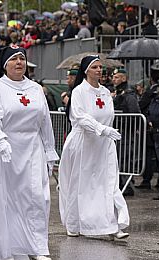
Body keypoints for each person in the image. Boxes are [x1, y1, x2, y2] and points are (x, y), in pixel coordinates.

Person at [0, 45, 59, 260]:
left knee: (37, 197)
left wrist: (50, 151)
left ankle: (37, 247)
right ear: (5, 65)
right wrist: (0, 138)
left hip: (32, 148)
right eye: (14, 59)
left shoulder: (35, 89)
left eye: (22, 59)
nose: (19, 63)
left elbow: (45, 122)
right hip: (4, 149)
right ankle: (6, 247)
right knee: (6, 199)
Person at [59, 55, 130, 240]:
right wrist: (101, 129)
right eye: (95, 67)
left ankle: (111, 225)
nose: (99, 70)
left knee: (107, 184)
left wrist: (106, 133)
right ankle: (74, 223)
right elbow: (80, 117)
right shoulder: (79, 92)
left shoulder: (106, 92)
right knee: (80, 184)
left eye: (100, 67)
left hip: (103, 146)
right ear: (86, 70)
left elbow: (108, 114)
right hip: (83, 143)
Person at [111, 67, 141, 197]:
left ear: (123, 78)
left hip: (126, 131)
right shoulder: (118, 92)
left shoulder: (128, 93)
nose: (114, 79)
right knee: (118, 158)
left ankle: (126, 186)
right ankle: (120, 184)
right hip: (118, 131)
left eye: (117, 77)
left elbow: (134, 112)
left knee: (124, 159)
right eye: (114, 77)